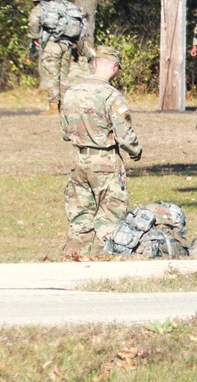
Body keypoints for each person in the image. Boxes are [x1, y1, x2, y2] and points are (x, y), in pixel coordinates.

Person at [60, 45, 142, 259]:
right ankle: (108, 256)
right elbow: (125, 136)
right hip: (105, 160)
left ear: (94, 64)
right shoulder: (112, 96)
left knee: (80, 213)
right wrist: (136, 150)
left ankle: (74, 256)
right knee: (110, 212)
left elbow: (65, 133)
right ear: (114, 67)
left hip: (79, 159)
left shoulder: (71, 93)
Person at [28, 0, 87, 112]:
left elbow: (33, 23)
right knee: (63, 76)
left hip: (51, 45)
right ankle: (64, 106)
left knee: (51, 75)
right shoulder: (62, 7)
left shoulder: (40, 9)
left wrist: (34, 37)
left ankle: (53, 107)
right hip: (67, 45)